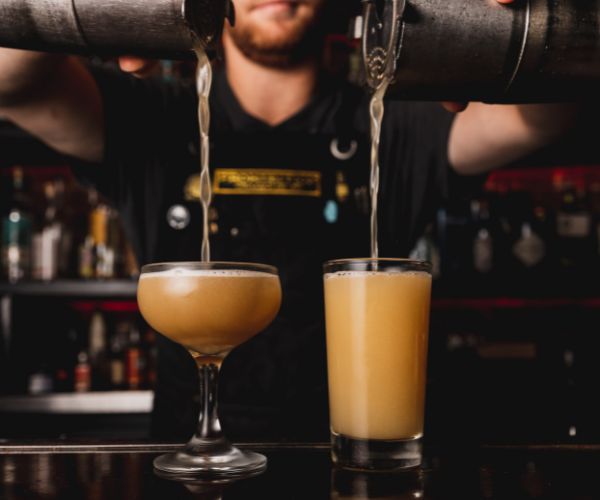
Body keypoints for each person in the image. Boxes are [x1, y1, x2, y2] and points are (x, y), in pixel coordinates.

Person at [0, 0, 576, 441]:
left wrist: (534, 21)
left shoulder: (391, 122)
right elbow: (11, 78)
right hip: (188, 465)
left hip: (353, 462)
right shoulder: (151, 116)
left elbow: (540, 121)